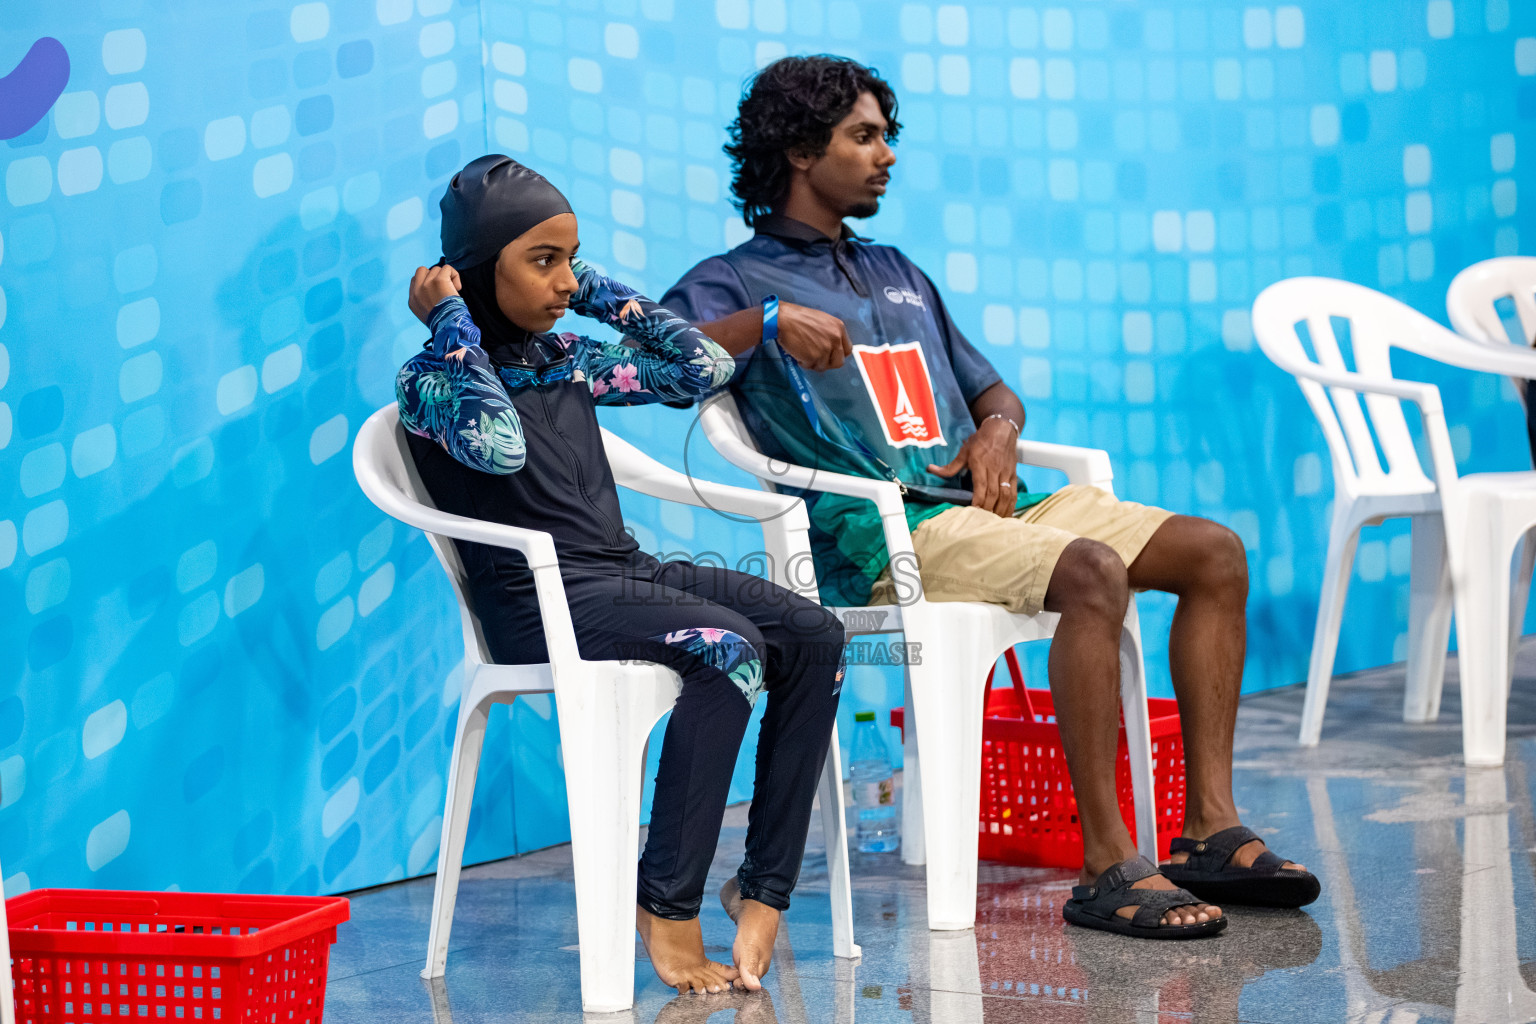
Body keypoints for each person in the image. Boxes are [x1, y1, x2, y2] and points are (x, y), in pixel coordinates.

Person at [662, 56, 1321, 939]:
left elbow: (993, 393)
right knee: (1091, 573)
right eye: (864, 137)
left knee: (1213, 554)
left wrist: (998, 434)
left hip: (975, 510)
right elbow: (661, 364)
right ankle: (1108, 868)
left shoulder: (897, 269)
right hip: (875, 533)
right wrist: (766, 325)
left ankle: (1206, 829)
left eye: (887, 135)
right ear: (798, 151)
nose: (886, 154)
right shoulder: (734, 279)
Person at [396, 154, 845, 989]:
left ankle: (764, 884)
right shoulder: (434, 379)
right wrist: (452, 320)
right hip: (537, 604)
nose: (564, 280)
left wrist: (596, 291)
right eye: (543, 261)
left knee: (812, 633)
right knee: (727, 648)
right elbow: (499, 445)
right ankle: (667, 905)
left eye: (572, 258)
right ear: (472, 270)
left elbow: (702, 368)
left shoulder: (567, 357)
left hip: (618, 575)